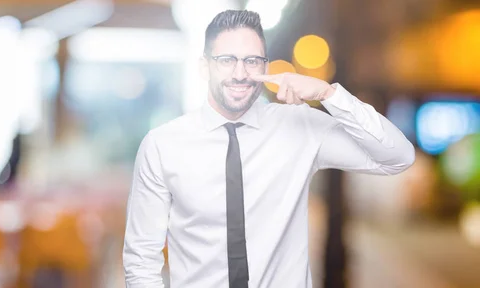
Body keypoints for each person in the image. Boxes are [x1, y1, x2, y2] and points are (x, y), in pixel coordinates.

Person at [122, 9, 415, 288]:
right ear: (204, 67)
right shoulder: (163, 145)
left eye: (252, 61)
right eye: (226, 60)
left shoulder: (300, 127)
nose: (240, 73)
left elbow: (397, 158)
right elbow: (141, 258)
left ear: (265, 66)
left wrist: (329, 94)